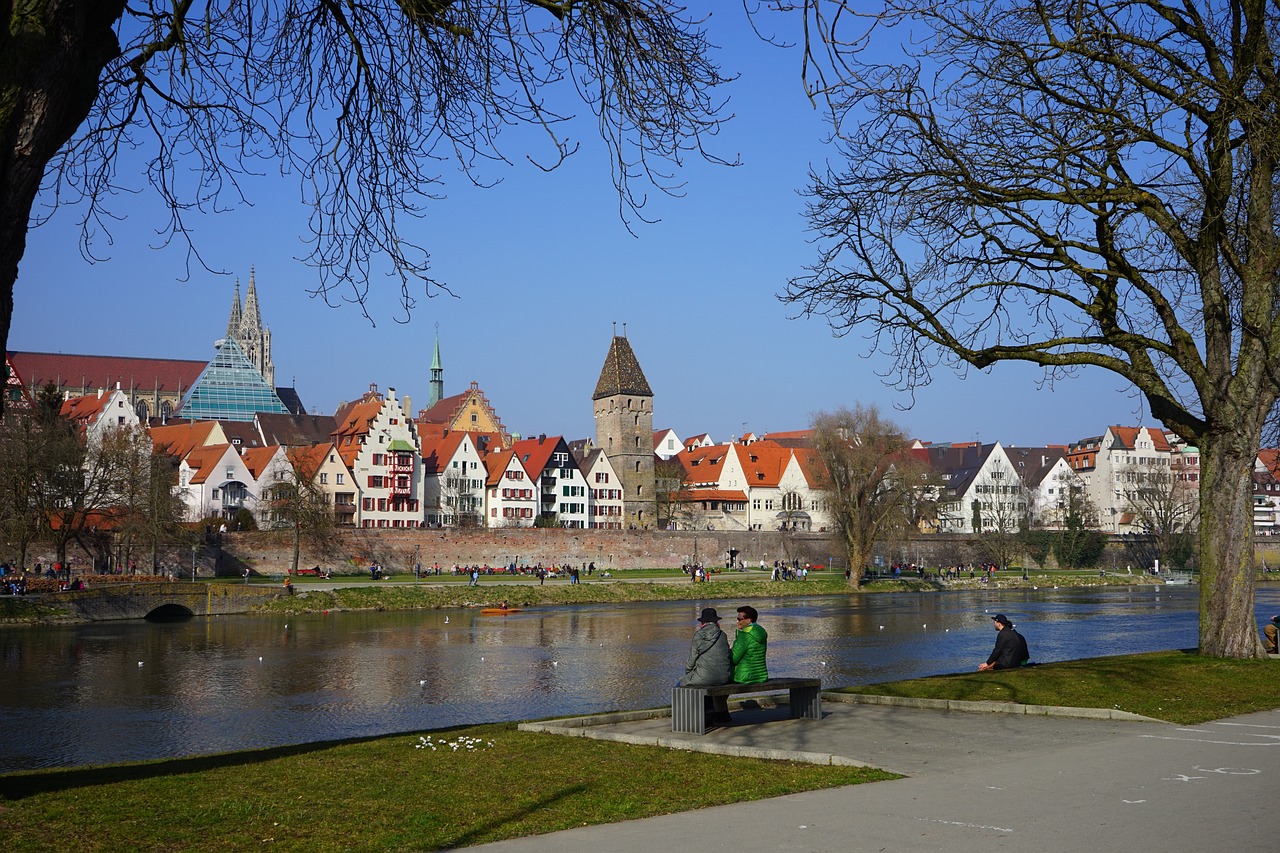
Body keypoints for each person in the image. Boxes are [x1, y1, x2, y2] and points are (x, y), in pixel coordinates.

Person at [731, 605, 769, 684]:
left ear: (748, 620)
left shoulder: (744, 636)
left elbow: (734, 659)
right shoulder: (760, 632)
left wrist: (728, 651)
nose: (737, 621)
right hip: (761, 676)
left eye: (739, 619)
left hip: (744, 677)